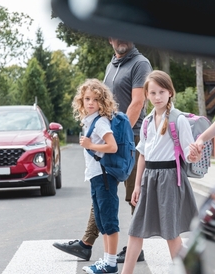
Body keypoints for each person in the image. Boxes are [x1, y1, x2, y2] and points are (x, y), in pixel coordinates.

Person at [97, 70, 201, 274]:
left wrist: (194, 153)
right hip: (150, 179)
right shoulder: (146, 123)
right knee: (136, 229)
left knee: (171, 232)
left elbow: (190, 154)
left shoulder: (178, 119)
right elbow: (142, 155)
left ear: (170, 92)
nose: (157, 97)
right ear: (146, 95)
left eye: (161, 92)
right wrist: (137, 185)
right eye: (152, 93)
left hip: (170, 179)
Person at [53, 38, 152, 262]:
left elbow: (137, 102)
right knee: (102, 189)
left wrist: (119, 136)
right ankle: (86, 243)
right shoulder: (112, 65)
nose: (121, 39)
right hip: (112, 136)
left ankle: (136, 247)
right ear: (109, 39)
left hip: (131, 138)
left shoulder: (140, 64)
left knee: (133, 194)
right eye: (116, 35)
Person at [72, 78, 121, 274]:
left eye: (96, 99)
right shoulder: (90, 121)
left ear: (103, 102)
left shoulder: (100, 122)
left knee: (109, 221)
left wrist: (91, 145)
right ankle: (107, 260)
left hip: (104, 177)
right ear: (81, 101)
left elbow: (112, 146)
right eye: (87, 99)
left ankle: (110, 263)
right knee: (101, 221)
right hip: (96, 176)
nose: (91, 102)